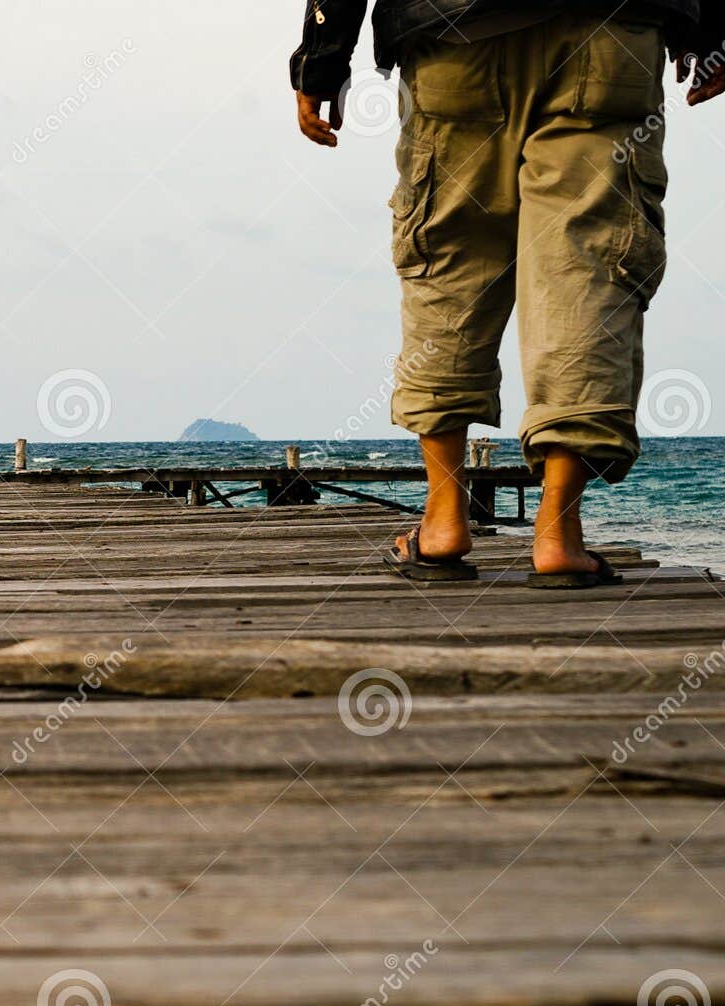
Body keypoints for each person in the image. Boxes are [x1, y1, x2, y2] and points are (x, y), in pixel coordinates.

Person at [292, 2, 725, 586]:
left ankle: (444, 522)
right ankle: (558, 537)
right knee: (590, 268)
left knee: (447, 267)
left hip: (451, 32)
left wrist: (321, 58)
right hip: (609, 34)